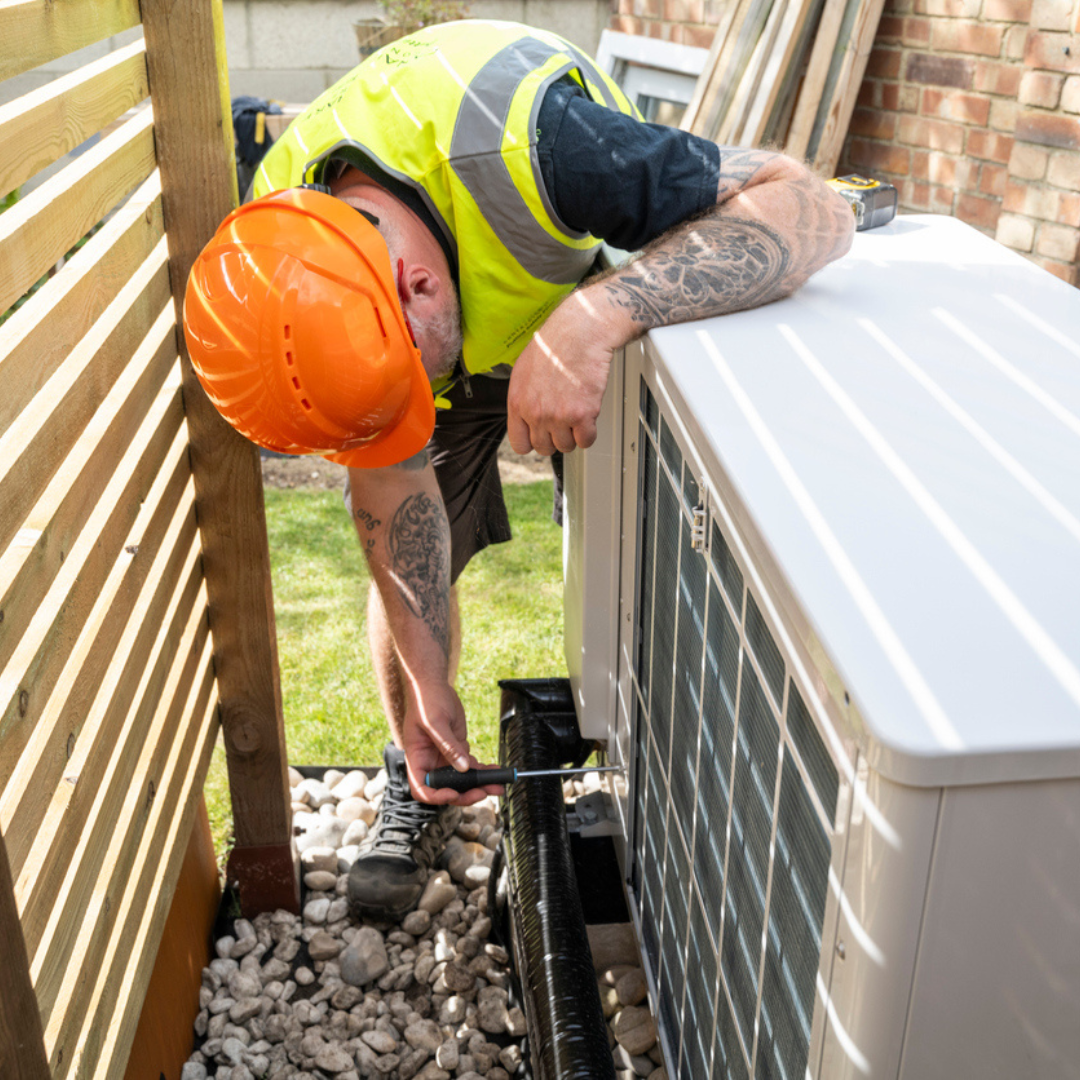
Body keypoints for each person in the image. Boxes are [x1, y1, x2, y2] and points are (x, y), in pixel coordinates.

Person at [184, 19, 854, 919]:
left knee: (638, 546)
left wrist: (592, 319)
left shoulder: (545, 148)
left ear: (416, 289)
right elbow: (390, 493)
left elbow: (810, 209)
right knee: (418, 559)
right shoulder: (289, 269)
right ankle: (411, 769)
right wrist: (427, 688)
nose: (405, 427)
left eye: (405, 393)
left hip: (578, 275)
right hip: (450, 304)